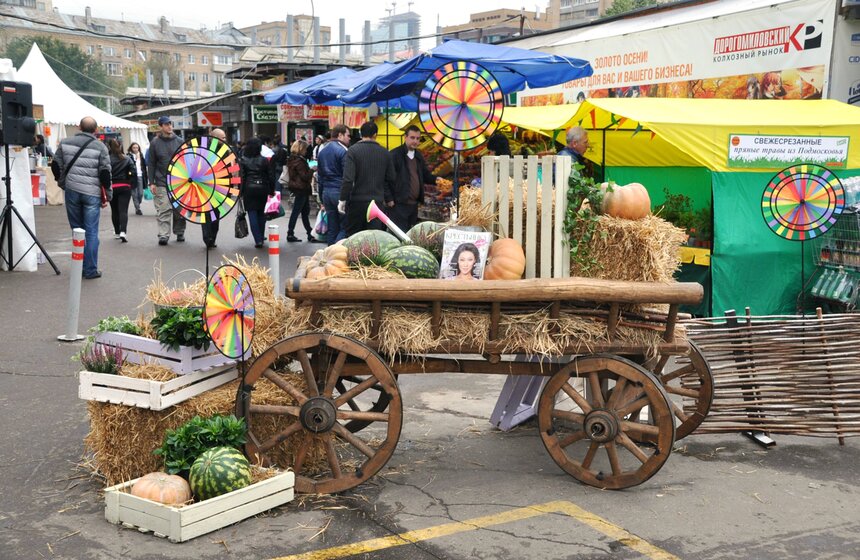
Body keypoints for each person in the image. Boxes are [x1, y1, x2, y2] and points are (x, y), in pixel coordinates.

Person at [53, 116, 111, 279]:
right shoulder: (101, 147)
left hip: (72, 191)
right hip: (92, 194)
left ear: (79, 127)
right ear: (96, 130)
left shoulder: (65, 143)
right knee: (91, 232)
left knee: (77, 230)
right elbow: (105, 173)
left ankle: (79, 266)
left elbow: (56, 166)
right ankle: (90, 270)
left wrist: (62, 183)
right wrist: (108, 195)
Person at [339, 121, 396, 237]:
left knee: (353, 238)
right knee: (373, 239)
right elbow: (391, 178)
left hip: (357, 203)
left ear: (360, 133)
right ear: (375, 134)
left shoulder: (353, 151)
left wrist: (342, 199)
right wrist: (389, 197)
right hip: (377, 204)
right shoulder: (385, 153)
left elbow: (348, 179)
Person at [147, 116, 185, 246]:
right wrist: (151, 182)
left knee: (179, 210)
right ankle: (163, 235)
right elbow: (151, 163)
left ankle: (180, 231)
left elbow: (187, 160)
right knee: (164, 209)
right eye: (166, 124)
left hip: (180, 182)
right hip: (161, 181)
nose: (169, 126)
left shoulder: (180, 141)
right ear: (161, 127)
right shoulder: (155, 143)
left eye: (170, 124)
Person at [389, 125, 435, 232]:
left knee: (410, 235)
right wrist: (389, 198)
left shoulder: (418, 156)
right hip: (398, 205)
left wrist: (437, 180)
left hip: (413, 205)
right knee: (400, 235)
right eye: (412, 138)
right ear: (405, 137)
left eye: (418, 139)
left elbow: (425, 175)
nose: (415, 141)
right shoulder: (395, 155)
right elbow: (386, 178)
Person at [316, 124, 350, 244]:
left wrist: (321, 198)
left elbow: (319, 177)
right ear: (340, 135)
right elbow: (347, 176)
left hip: (326, 192)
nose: (349, 138)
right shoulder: (343, 151)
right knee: (345, 227)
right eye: (347, 135)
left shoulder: (323, 151)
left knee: (332, 228)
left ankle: (329, 254)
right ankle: (336, 251)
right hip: (340, 192)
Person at [239, 137, 275, 248]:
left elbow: (242, 177)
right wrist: (271, 190)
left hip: (249, 189)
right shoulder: (264, 160)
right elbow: (271, 176)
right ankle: (261, 235)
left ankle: (258, 239)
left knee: (252, 214)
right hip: (262, 188)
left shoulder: (243, 159)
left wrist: (240, 191)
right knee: (261, 214)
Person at [202, 128, 229, 249]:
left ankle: (212, 237)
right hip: (205, 186)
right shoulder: (203, 148)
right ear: (215, 138)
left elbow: (228, 169)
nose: (225, 140)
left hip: (220, 186)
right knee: (206, 213)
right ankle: (207, 238)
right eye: (222, 138)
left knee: (216, 214)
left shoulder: (225, 150)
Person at [285, 139, 314, 242]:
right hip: (302, 188)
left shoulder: (292, 159)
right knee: (298, 211)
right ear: (301, 149)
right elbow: (305, 176)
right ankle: (290, 233)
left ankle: (310, 233)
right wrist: (312, 169)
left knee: (304, 211)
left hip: (297, 187)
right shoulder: (300, 161)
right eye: (305, 149)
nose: (306, 151)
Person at [107, 139, 134, 243]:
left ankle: (117, 232)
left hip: (112, 186)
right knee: (123, 210)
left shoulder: (107, 159)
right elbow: (133, 172)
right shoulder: (127, 159)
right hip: (125, 186)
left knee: (114, 210)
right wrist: (129, 180)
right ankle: (123, 231)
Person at [127, 142, 147, 215]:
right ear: (131, 148)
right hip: (132, 177)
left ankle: (138, 204)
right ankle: (138, 209)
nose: (135, 149)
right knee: (134, 193)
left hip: (140, 176)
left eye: (137, 148)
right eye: (134, 148)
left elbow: (144, 166)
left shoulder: (141, 155)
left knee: (140, 193)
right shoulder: (129, 156)